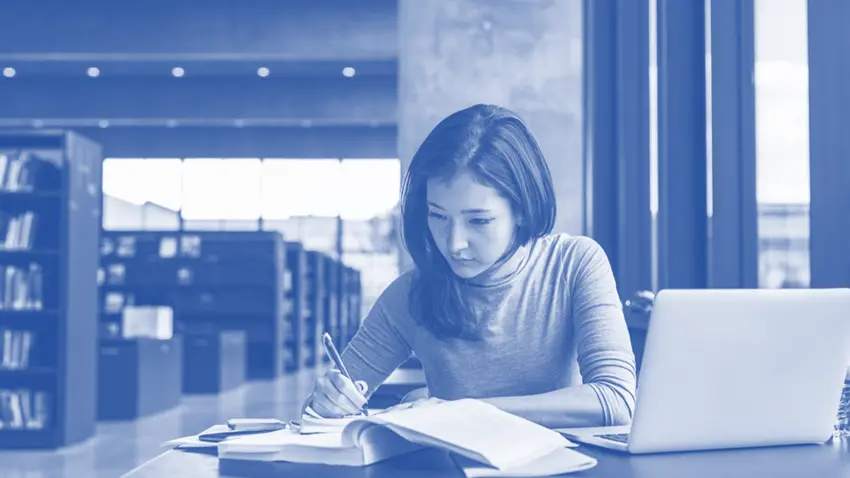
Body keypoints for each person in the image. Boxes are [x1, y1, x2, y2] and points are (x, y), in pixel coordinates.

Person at [302, 104, 636, 429]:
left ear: (521, 209)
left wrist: (460, 412)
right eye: (438, 216)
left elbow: (616, 400)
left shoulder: (573, 264)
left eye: (478, 220)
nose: (453, 244)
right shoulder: (410, 294)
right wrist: (328, 403)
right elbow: (315, 419)